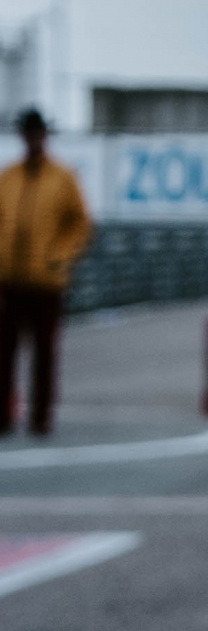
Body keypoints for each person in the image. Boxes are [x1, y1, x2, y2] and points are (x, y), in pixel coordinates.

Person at [0, 110, 92, 435]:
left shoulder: (62, 177)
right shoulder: (8, 177)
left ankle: (40, 417)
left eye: (36, 133)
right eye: (27, 133)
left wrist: (59, 256)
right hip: (9, 280)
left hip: (45, 281)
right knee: (4, 353)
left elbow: (79, 223)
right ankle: (4, 416)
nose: (32, 139)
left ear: (44, 136)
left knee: (44, 355)